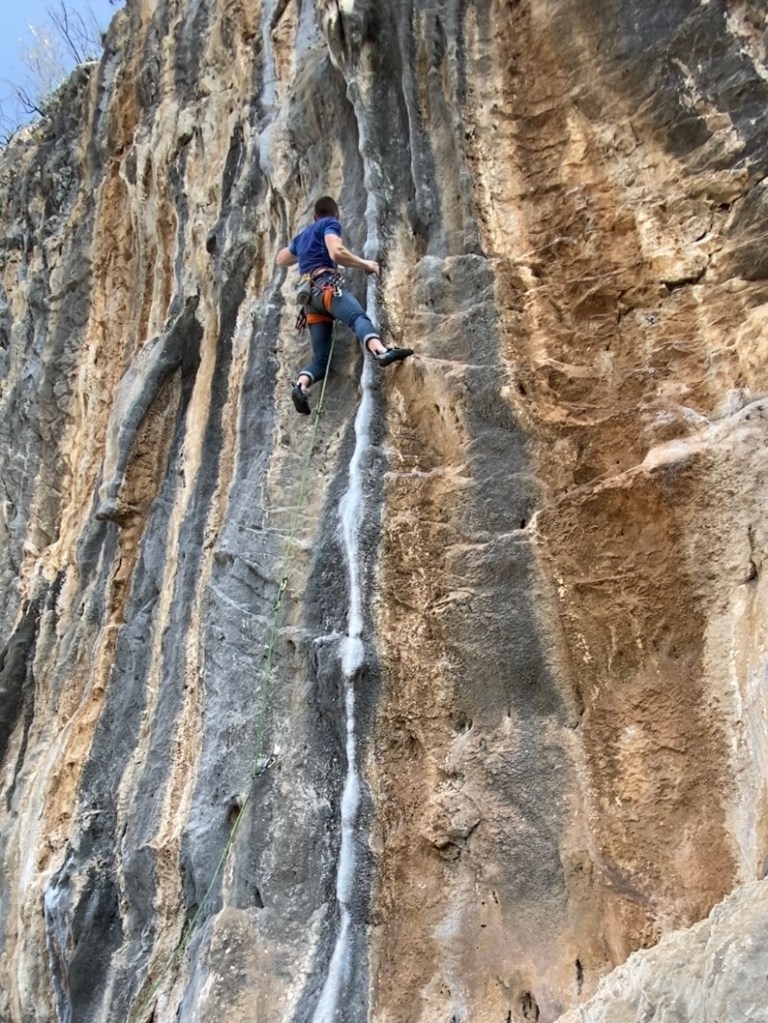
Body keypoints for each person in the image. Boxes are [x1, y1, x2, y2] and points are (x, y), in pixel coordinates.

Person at [276, 196, 412, 414]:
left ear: (314, 216)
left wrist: (301, 249)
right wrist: (365, 264)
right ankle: (381, 351)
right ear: (336, 214)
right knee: (357, 317)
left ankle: (301, 386)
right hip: (326, 287)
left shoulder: (302, 237)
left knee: (320, 361)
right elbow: (336, 252)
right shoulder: (329, 224)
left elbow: (282, 259)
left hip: (309, 301)